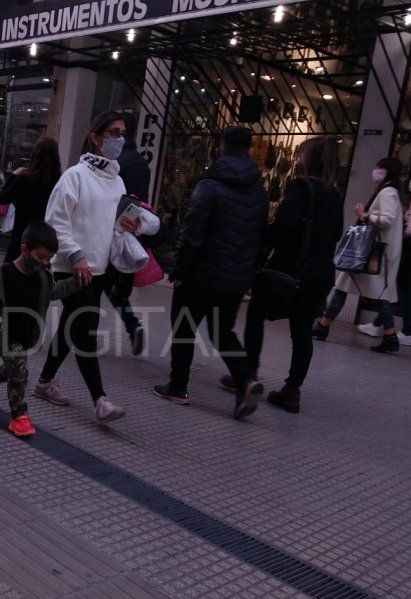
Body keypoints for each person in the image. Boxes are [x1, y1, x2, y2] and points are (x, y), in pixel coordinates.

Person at [34, 110, 160, 423]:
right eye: (113, 132)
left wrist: (128, 226)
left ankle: (44, 382)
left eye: (122, 133)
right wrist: (76, 255)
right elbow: (55, 222)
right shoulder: (75, 177)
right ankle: (100, 399)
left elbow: (111, 226)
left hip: (100, 269)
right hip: (72, 267)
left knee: (70, 326)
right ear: (95, 138)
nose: (119, 139)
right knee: (84, 330)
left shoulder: (117, 181)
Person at [222, 138, 344, 414]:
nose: (298, 156)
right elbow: (336, 233)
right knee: (302, 333)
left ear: (308, 159)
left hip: (288, 271)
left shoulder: (301, 188)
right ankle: (292, 390)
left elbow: (284, 227)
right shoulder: (334, 194)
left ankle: (248, 374)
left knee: (255, 315)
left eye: (302, 153)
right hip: (319, 274)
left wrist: (261, 232)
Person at [154, 126, 268, 420]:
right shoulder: (258, 191)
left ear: (221, 147)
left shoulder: (209, 185)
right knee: (223, 331)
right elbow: (259, 238)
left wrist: (179, 270)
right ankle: (245, 380)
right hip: (234, 278)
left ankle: (178, 387)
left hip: (200, 275)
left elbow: (192, 233)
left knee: (184, 329)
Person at [0, 222, 83, 438]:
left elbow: (55, 291)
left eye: (48, 259)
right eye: (40, 257)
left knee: (13, 370)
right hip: (5, 335)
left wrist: (77, 282)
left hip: (27, 335)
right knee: (20, 372)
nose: (44, 262)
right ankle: (19, 416)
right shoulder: (2, 273)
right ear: (24, 249)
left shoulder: (43, 277)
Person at [313, 158, 404, 354]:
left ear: (386, 171)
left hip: (372, 255)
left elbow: (387, 220)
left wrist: (365, 215)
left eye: (379, 167)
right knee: (349, 288)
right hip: (372, 254)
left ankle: (324, 326)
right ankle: (323, 325)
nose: (375, 170)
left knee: (368, 293)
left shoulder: (387, 192)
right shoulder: (390, 191)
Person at [358, 167, 411, 347]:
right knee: (399, 288)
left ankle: (405, 331)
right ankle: (379, 324)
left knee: (401, 290)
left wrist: (395, 234)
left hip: (410, 252)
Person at [105, 129, 154, 356]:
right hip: (132, 226)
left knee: (99, 280)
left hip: (111, 226)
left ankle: (84, 331)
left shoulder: (116, 162)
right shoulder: (142, 164)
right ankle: (133, 325)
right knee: (120, 285)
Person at [0, 136, 61, 264]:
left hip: (21, 236)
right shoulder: (59, 183)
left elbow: (2, 198)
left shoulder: (24, 179)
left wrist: (12, 175)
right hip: (45, 238)